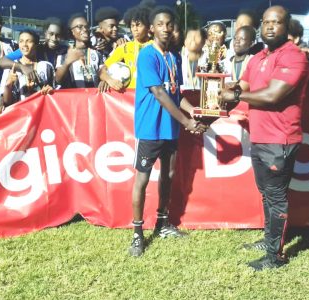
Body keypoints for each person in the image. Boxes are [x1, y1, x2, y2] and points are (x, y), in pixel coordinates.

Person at [220, 6, 309, 270]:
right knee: (266, 194)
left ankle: (275, 256)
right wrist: (224, 87)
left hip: (279, 139)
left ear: (286, 27)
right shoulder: (258, 57)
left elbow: (272, 95)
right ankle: (270, 240)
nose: (270, 27)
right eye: (267, 22)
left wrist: (235, 96)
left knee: (276, 196)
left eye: (277, 22)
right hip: (259, 137)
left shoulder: (294, 57)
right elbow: (245, 85)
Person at [129, 6, 207, 257]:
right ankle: (137, 234)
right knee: (142, 179)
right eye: (160, 24)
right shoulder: (147, 55)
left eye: (169, 24)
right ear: (152, 28)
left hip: (170, 128)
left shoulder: (174, 57)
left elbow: (175, 93)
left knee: (169, 175)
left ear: (174, 28)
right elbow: (159, 93)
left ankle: (162, 224)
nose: (165, 28)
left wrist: (193, 111)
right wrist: (187, 122)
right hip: (150, 127)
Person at [99, 5, 152, 91]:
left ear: (148, 27)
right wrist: (109, 80)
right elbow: (102, 70)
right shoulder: (125, 47)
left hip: (150, 95)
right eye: (132, 25)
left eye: (138, 25)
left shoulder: (154, 46)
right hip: (129, 97)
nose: (135, 29)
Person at [0, 30, 55, 104]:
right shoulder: (11, 68)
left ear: (36, 45)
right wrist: (8, 86)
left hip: (41, 112)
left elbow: (54, 96)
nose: (24, 44)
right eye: (21, 41)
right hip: (20, 114)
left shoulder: (47, 66)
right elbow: (6, 102)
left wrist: (49, 91)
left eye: (28, 41)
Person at [55, 14, 103, 89]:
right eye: (79, 27)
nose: (84, 29)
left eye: (86, 27)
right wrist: (67, 62)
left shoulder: (97, 53)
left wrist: (104, 81)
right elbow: (57, 80)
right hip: (75, 99)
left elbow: (103, 73)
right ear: (72, 32)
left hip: (95, 99)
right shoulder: (64, 54)